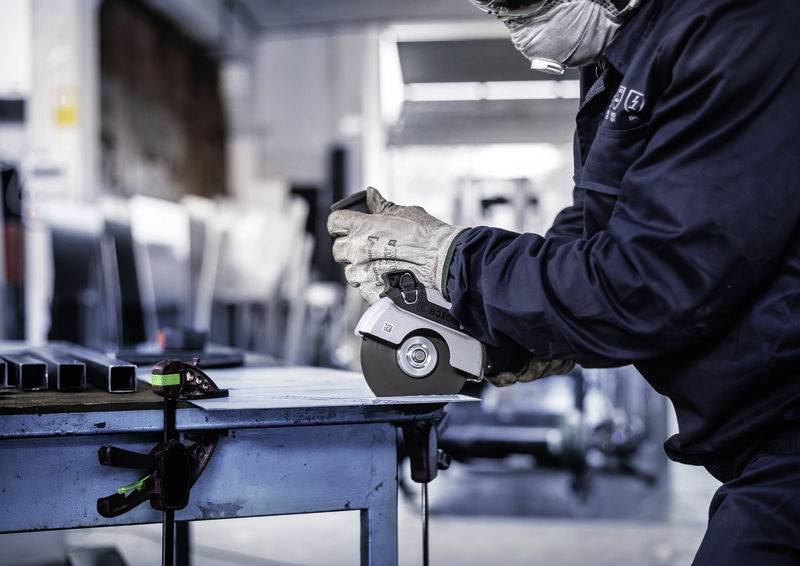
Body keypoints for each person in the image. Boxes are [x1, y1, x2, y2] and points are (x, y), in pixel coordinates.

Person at [328, 0, 800, 563]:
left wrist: (455, 256)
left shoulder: (736, 25)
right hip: (761, 446)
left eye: (520, 4)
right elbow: (594, 230)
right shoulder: (623, 53)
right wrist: (503, 330)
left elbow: (649, 284)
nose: (514, 26)